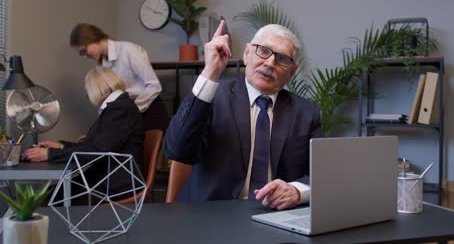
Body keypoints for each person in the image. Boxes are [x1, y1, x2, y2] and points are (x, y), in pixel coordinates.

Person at [163, 21, 324, 210]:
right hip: (210, 215)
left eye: (281, 59)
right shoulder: (212, 96)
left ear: (292, 72)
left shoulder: (305, 112)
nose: (270, 63)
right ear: (247, 54)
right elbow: (177, 150)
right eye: (263, 51)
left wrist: (296, 192)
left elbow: (325, 172)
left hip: (274, 216)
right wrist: (210, 72)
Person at [22, 66, 145, 203]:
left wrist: (49, 154)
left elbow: (97, 151)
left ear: (94, 89)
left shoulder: (120, 109)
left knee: (46, 198)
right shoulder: (118, 107)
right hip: (106, 178)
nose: (87, 96)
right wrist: (61, 146)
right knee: (48, 194)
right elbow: (96, 145)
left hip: (115, 184)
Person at [69, 23, 168, 131]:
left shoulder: (129, 50)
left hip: (149, 111)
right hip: (127, 113)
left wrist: (132, 109)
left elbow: (154, 86)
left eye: (84, 51)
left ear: (92, 39)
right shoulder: (103, 63)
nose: (84, 57)